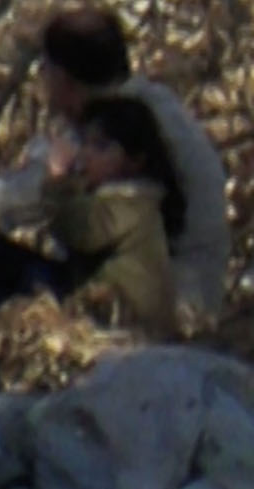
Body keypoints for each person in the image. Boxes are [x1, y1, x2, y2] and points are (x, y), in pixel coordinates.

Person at [0, 5, 230, 331]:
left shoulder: (112, 129)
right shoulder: (156, 104)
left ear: (64, 79)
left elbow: (10, 200)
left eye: (45, 70)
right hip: (192, 297)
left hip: (145, 308)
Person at [46, 93, 185, 341]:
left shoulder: (131, 204)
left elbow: (81, 231)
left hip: (132, 331)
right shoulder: (120, 200)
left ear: (135, 161)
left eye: (100, 147)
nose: (86, 154)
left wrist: (58, 181)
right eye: (84, 143)